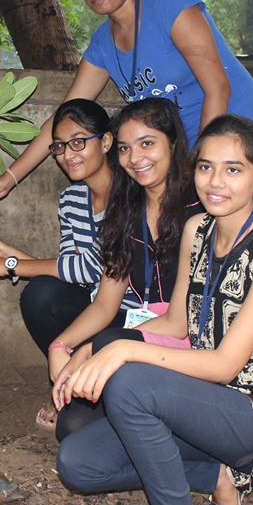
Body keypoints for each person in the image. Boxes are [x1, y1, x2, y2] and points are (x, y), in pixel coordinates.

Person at [52, 115, 253, 505]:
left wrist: (123, 352)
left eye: (233, 169)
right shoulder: (197, 229)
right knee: (78, 462)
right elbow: (176, 324)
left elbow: (225, 365)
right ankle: (218, 477)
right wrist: (95, 346)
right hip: (199, 398)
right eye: (206, 167)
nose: (215, 182)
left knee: (129, 379)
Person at [0, 0, 253, 213]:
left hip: (226, 134)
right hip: (174, 154)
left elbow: (218, 88)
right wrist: (7, 180)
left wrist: (200, 166)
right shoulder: (102, 45)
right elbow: (62, 120)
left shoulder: (172, 8)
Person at [48, 98, 202, 439]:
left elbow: (179, 324)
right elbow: (106, 303)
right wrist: (60, 346)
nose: (134, 158)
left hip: (193, 348)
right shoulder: (126, 209)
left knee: (89, 427)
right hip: (142, 335)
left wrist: (93, 348)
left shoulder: (199, 210)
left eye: (147, 143)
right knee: (74, 429)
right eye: (124, 148)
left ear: (172, 143)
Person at [0, 99, 112, 428]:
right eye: (59, 146)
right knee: (42, 294)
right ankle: (71, 385)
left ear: (106, 141)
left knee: (77, 429)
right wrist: (1, 249)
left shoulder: (128, 196)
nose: (68, 154)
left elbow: (91, 269)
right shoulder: (72, 199)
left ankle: (92, 388)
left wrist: (9, 264)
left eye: (78, 142)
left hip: (125, 316)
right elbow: (69, 272)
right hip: (92, 307)